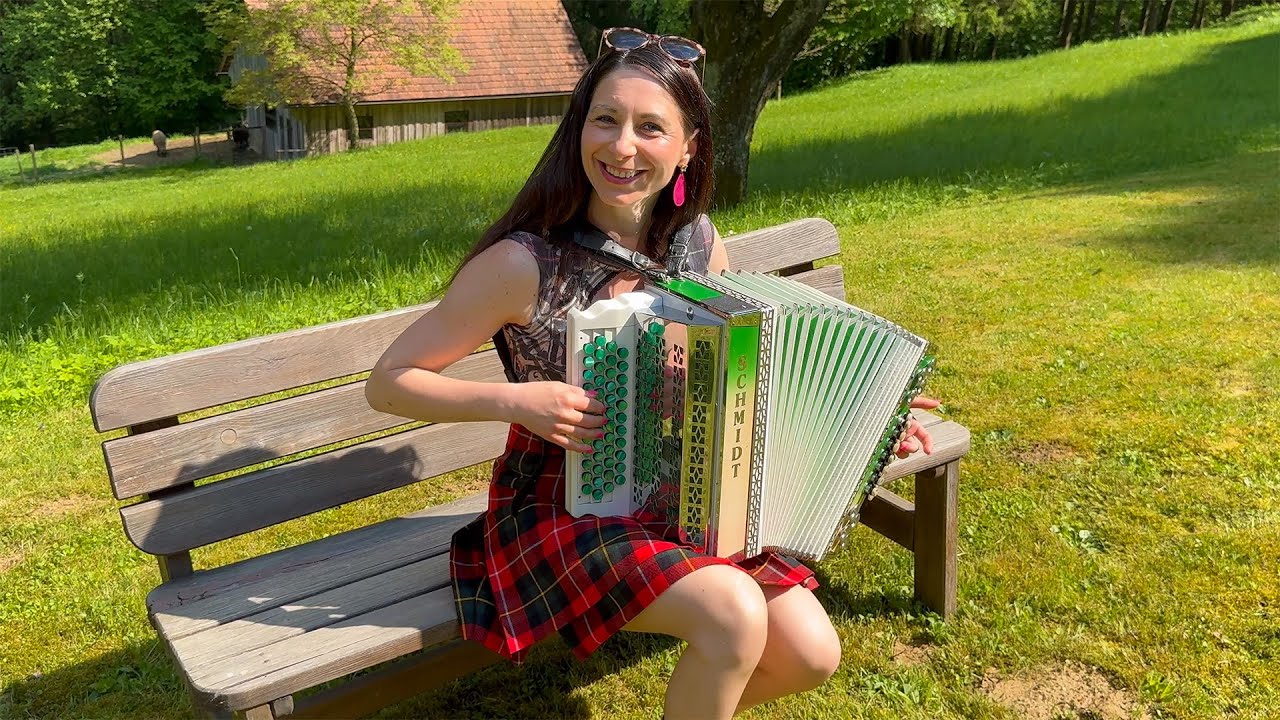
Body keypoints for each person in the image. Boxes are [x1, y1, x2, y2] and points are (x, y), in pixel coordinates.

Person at [365, 28, 937, 720]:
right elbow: (389, 381)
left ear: (690, 146)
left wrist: (870, 427)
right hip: (562, 503)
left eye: (650, 127)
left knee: (811, 653)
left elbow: (748, 375)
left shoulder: (697, 242)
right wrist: (518, 400)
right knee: (732, 613)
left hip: (687, 487)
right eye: (605, 119)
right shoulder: (525, 265)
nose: (622, 147)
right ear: (579, 127)